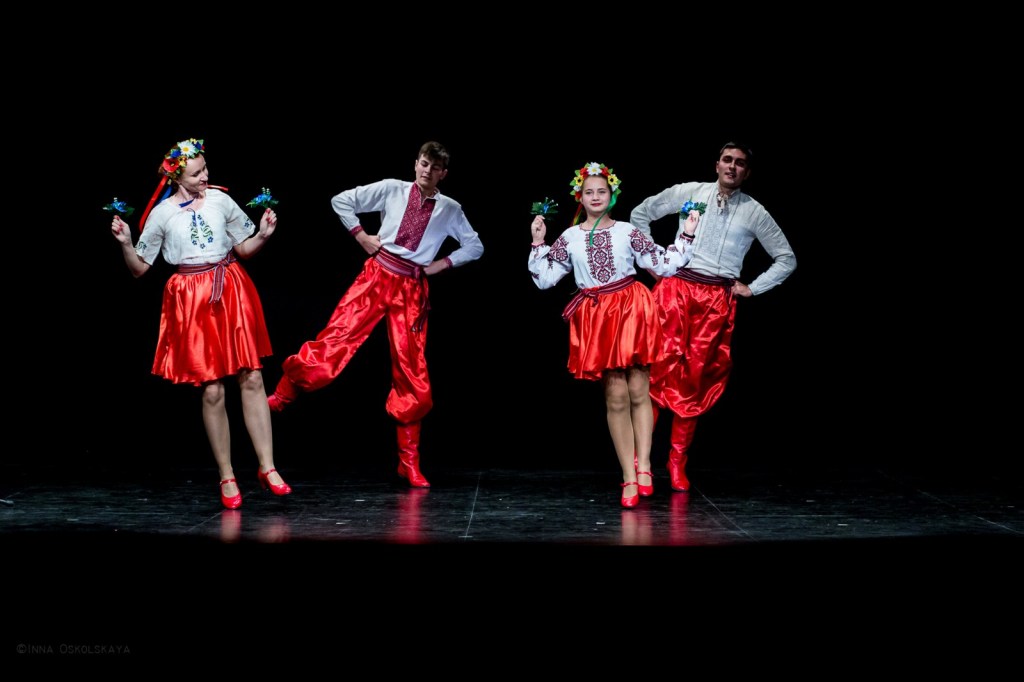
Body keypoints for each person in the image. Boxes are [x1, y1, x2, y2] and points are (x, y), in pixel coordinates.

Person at [267, 141, 484, 488]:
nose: (427, 171)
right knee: (337, 338)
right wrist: (361, 236)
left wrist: (440, 264)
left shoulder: (450, 209)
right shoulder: (392, 189)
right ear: (416, 164)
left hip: (411, 289)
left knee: (412, 368)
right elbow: (341, 200)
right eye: (423, 163)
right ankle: (281, 396)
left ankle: (408, 462)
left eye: (434, 167)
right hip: (378, 276)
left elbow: (474, 245)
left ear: (443, 173)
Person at [110, 138, 292, 510]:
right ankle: (226, 474)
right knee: (212, 390)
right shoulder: (162, 214)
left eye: (205, 169)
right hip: (192, 299)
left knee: (252, 376)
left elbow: (243, 249)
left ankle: (267, 466)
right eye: (196, 174)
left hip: (230, 288)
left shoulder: (221, 200)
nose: (205, 177)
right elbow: (140, 268)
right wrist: (126, 243)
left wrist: (262, 235)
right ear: (176, 176)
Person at [629, 141, 797, 492]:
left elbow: (786, 258)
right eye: (727, 160)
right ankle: (640, 463)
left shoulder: (754, 212)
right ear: (717, 164)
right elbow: (641, 214)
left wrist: (753, 287)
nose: (732, 167)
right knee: (656, 372)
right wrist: (655, 262)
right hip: (675, 292)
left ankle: (677, 460)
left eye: (740, 163)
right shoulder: (690, 192)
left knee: (694, 380)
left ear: (747, 172)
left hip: (714, 302)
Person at [529, 162, 695, 507]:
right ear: (580, 196)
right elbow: (545, 279)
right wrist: (538, 241)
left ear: (612, 194)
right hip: (597, 317)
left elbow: (663, 264)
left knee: (639, 388)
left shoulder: (626, 231)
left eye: (601, 191)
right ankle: (628, 475)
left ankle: (645, 464)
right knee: (615, 396)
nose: (595, 197)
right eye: (589, 192)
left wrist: (687, 235)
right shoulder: (570, 237)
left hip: (631, 308)